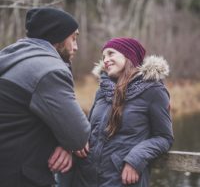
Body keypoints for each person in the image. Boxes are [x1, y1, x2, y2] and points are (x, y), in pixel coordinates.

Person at [0, 7, 90, 187]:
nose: (76, 46)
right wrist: (69, 142)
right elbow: (78, 135)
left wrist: (64, 142)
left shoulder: (13, 58)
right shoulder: (48, 70)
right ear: (57, 36)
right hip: (22, 177)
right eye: (73, 38)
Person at [72, 37, 174, 187]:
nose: (105, 60)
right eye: (103, 56)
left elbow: (164, 138)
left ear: (129, 55)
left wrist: (136, 158)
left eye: (111, 53)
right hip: (86, 178)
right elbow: (90, 128)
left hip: (122, 180)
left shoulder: (154, 91)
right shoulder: (102, 90)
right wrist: (79, 139)